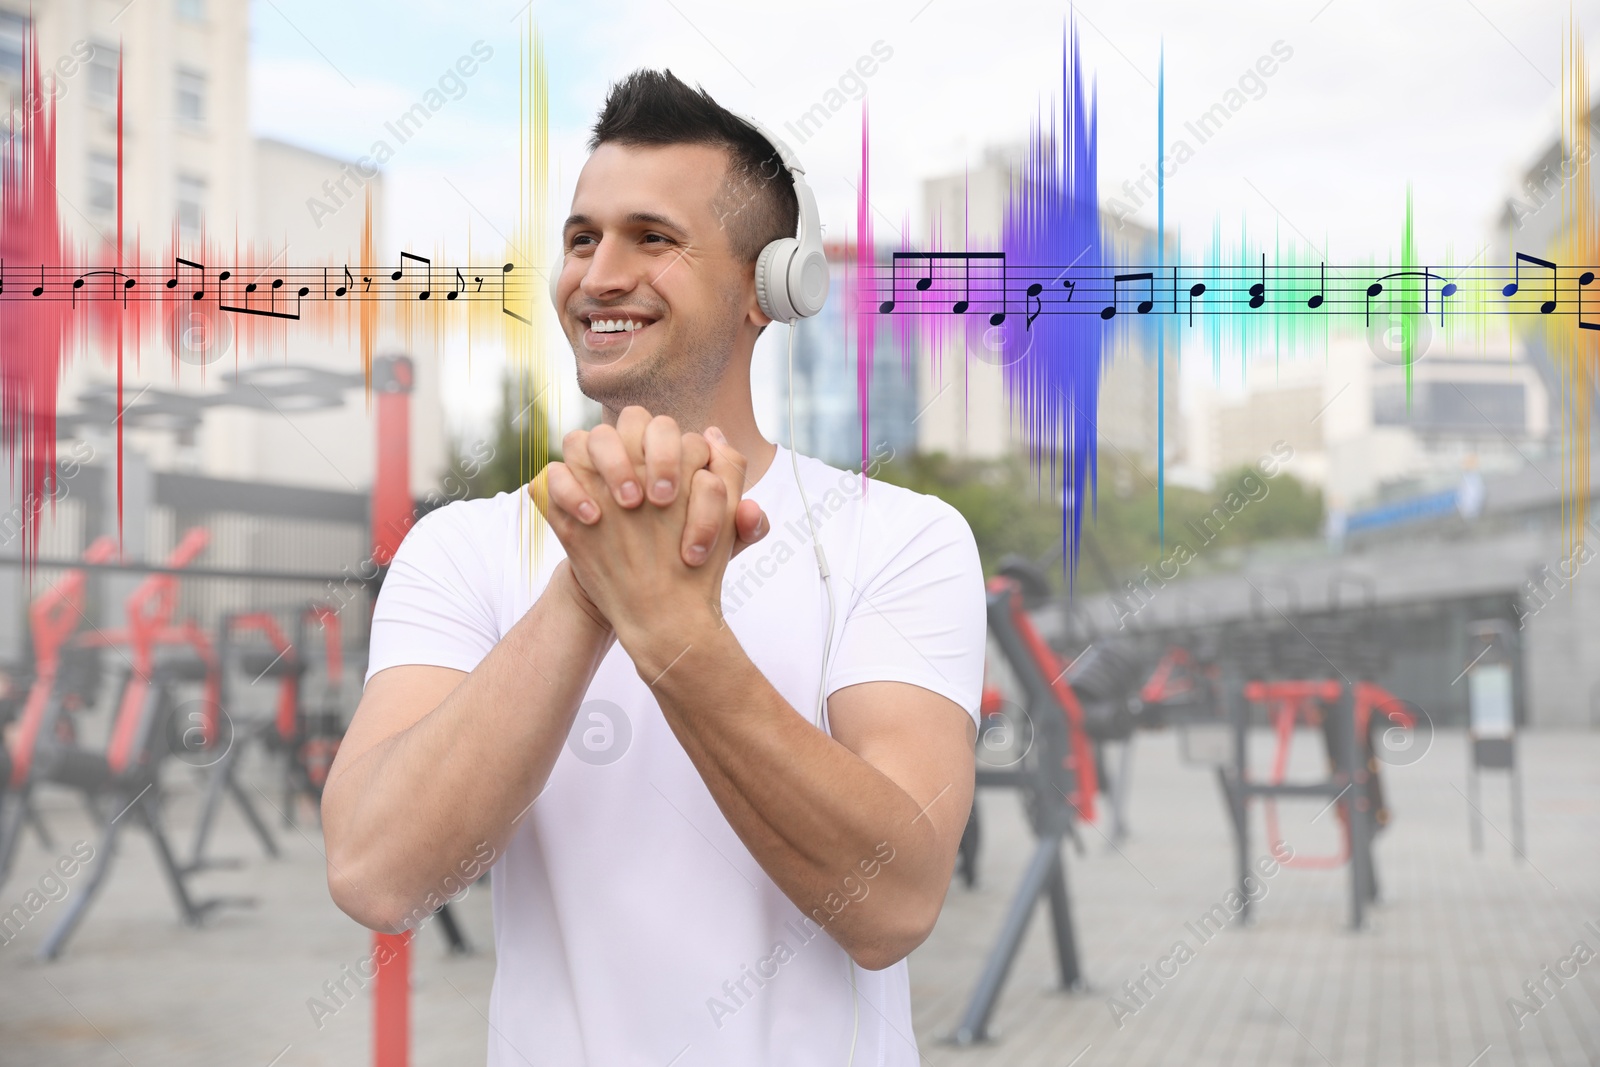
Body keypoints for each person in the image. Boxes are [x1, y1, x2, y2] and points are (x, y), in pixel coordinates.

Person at [321, 68, 985, 1066]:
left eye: (653, 238)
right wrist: (591, 583)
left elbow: (892, 900)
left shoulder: (900, 538)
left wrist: (674, 631)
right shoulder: (461, 548)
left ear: (772, 287)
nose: (598, 274)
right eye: (581, 238)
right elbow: (377, 873)